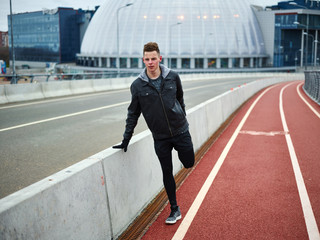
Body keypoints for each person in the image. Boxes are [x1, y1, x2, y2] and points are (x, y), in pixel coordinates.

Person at [113, 42, 195, 224]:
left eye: (153, 58)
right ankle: (174, 209)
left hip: (181, 131)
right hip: (160, 138)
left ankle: (184, 156)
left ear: (160, 58)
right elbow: (133, 114)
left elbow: (180, 99)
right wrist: (126, 139)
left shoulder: (173, 77)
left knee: (189, 163)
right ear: (143, 60)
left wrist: (182, 117)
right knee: (167, 172)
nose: (151, 62)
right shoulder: (138, 86)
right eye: (147, 59)